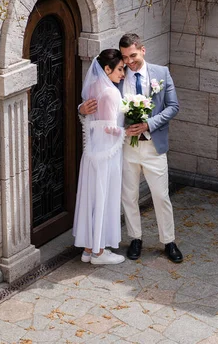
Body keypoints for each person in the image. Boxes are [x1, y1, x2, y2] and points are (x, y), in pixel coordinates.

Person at [79, 33, 183, 263]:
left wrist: (148, 124)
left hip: (153, 146)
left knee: (161, 195)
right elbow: (99, 98)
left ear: (143, 50)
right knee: (128, 196)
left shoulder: (161, 74)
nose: (129, 61)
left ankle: (169, 241)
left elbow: (173, 107)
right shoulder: (118, 77)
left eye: (133, 55)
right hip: (125, 147)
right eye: (125, 57)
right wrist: (81, 108)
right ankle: (135, 238)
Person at [73, 49, 127, 265]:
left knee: (92, 198)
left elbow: (91, 118)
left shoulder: (93, 88)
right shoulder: (112, 93)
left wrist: (80, 109)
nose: (123, 74)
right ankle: (99, 252)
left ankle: (88, 248)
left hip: (92, 151)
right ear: (107, 69)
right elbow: (110, 128)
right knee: (105, 197)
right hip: (107, 153)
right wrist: (128, 130)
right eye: (120, 69)